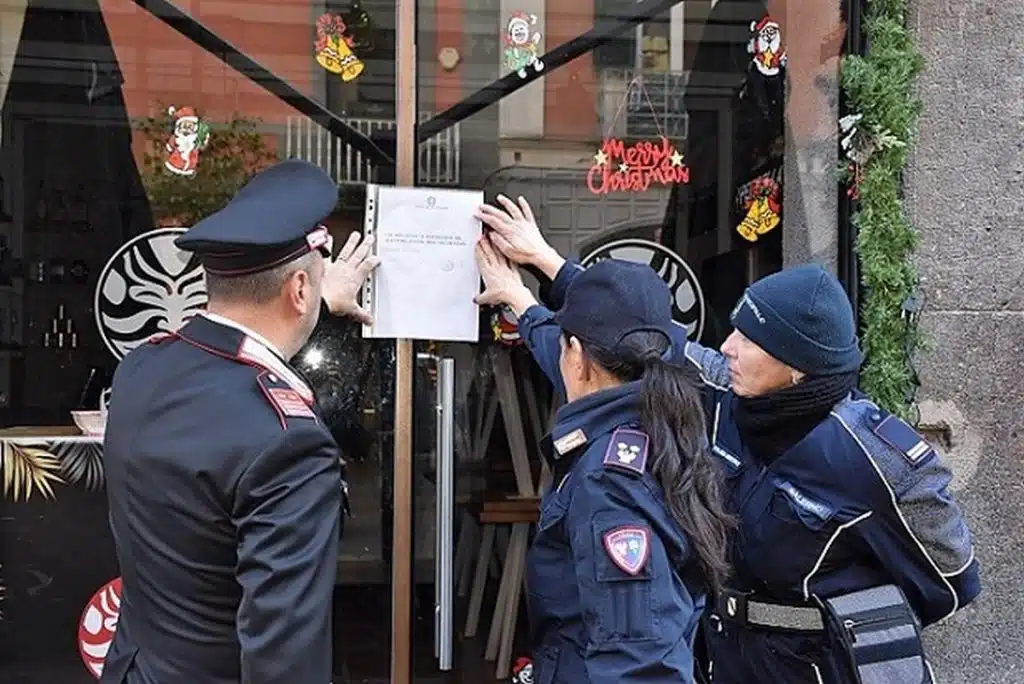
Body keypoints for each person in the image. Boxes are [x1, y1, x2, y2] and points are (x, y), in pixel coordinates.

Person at [476, 194, 981, 684]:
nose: (728, 346)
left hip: (817, 664)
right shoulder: (718, 388)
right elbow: (615, 338)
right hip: (725, 655)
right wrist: (534, 276)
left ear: (796, 368)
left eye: (749, 339)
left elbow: (951, 583)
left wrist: (835, 608)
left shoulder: (875, 457)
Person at [100, 160, 380, 684]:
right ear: (299, 290)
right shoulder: (288, 445)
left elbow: (236, 365)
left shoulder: (143, 368)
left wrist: (318, 302)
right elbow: (283, 655)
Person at [473, 230, 734, 683]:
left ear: (575, 356)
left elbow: (641, 666)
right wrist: (522, 299)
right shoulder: (665, 425)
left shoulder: (611, 483)